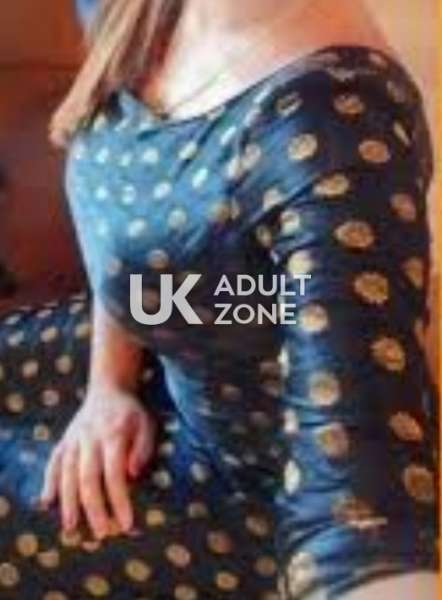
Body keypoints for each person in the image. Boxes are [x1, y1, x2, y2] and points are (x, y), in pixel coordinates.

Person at [0, 0, 438, 598]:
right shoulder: (155, 12)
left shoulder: (338, 125)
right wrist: (108, 387)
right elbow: (151, 249)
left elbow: (359, 507)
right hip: (165, 334)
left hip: (239, 486)